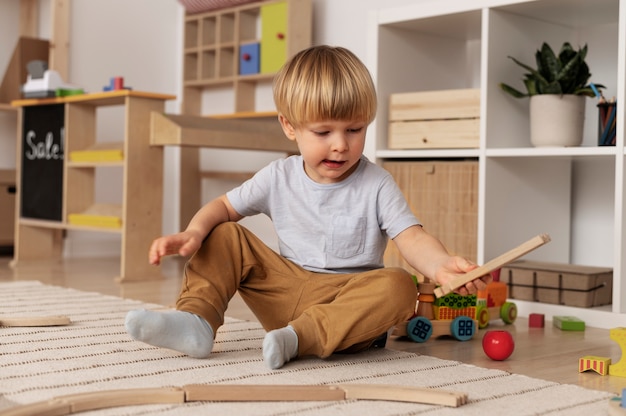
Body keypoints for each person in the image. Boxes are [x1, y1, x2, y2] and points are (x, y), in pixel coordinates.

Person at [125, 45, 490, 370]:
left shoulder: (377, 183)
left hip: (346, 307)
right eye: (323, 132)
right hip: (286, 293)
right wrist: (193, 232)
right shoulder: (277, 176)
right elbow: (223, 205)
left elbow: (412, 237)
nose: (340, 146)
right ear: (290, 126)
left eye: (354, 130)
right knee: (224, 233)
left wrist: (442, 265)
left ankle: (300, 340)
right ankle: (196, 321)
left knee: (400, 285)